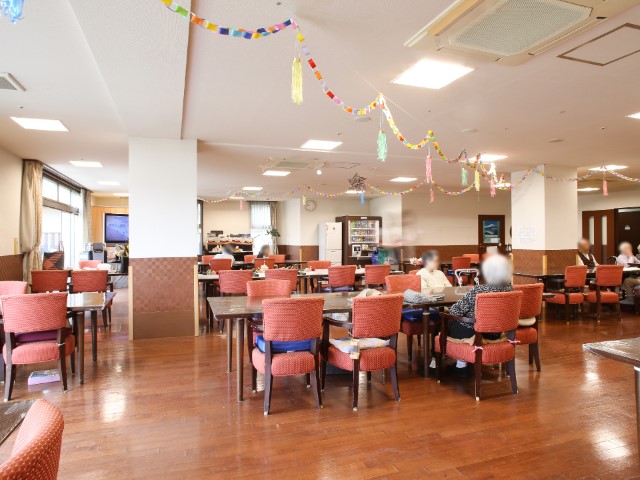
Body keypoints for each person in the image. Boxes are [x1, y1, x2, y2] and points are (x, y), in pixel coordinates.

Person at [448, 254, 514, 375]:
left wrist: (447, 310)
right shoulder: (510, 289)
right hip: (495, 333)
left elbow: (455, 311)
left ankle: (460, 365)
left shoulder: (478, 290)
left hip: (475, 333)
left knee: (446, 321)